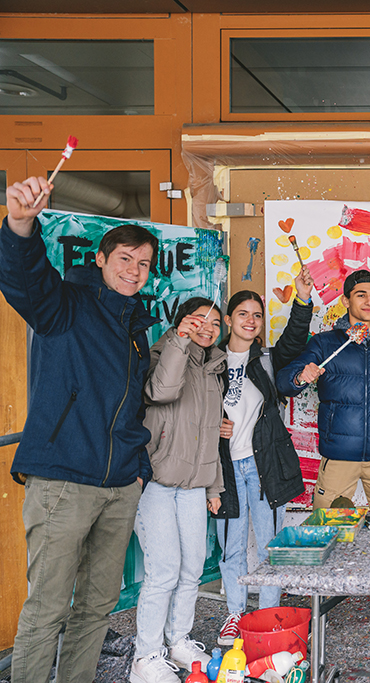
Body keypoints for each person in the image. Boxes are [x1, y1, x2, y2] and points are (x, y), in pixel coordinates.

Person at [1, 177, 158, 683]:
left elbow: (130, 410)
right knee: (47, 609)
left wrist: (137, 472)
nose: (134, 271)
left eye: (144, 264)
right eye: (125, 260)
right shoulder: (65, 305)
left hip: (118, 489)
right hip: (63, 482)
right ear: (100, 260)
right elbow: (24, 278)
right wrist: (21, 224)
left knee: (97, 609)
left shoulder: (136, 325)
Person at [277, 269, 370, 633]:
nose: (369, 301)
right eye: (360, 294)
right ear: (346, 300)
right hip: (339, 456)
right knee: (324, 529)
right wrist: (301, 376)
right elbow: (285, 379)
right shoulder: (327, 342)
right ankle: (319, 604)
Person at [213, 270, 313, 646]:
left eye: (256, 315)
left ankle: (270, 614)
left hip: (263, 465)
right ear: (228, 319)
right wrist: (211, 427)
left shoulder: (268, 358)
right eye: (243, 314)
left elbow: (294, 338)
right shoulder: (211, 359)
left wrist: (302, 300)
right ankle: (235, 616)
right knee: (232, 546)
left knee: (271, 543)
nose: (251, 321)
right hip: (225, 468)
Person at [130, 297, 227, 683]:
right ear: (182, 320)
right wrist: (179, 340)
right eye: (199, 320)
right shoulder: (163, 352)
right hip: (155, 481)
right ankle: (145, 656)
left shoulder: (214, 369)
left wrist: (214, 486)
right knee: (163, 572)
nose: (208, 327)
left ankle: (178, 640)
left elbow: (210, 437)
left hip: (194, 486)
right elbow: (161, 392)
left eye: (215, 323)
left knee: (192, 570)